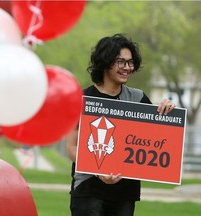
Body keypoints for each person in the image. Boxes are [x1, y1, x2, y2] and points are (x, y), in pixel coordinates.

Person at [65, 33, 175, 216]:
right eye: (120, 62)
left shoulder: (138, 98)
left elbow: (158, 138)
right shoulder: (82, 100)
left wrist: (167, 110)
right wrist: (97, 169)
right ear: (105, 62)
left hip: (125, 193)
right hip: (88, 190)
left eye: (130, 62)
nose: (127, 68)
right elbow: (71, 147)